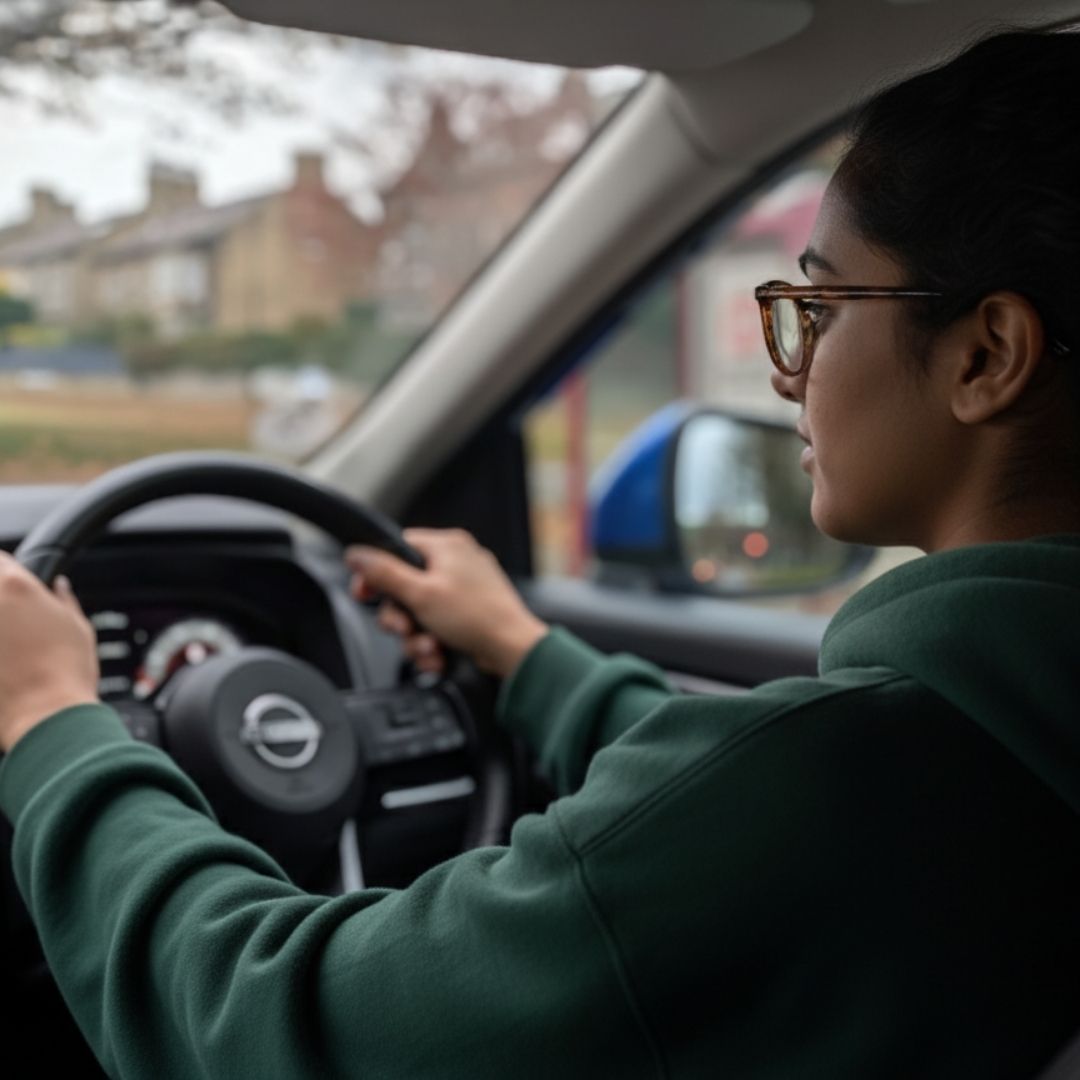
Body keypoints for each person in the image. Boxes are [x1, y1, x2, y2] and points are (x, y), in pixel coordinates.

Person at [3, 27, 1080, 1079]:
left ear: (986, 354)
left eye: (818, 305)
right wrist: (528, 653)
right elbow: (717, 815)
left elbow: (272, 1028)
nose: (787, 375)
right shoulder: (976, 744)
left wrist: (53, 720)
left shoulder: (842, 783)